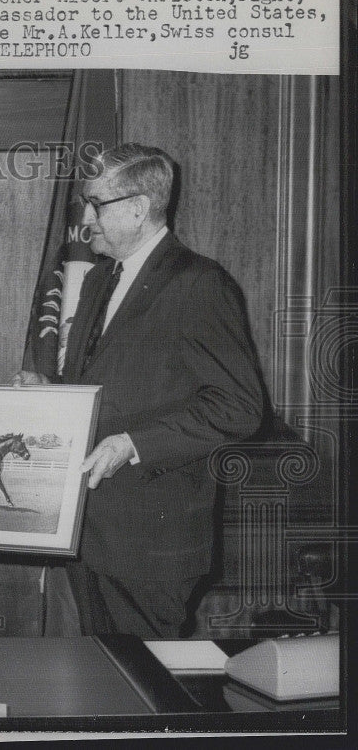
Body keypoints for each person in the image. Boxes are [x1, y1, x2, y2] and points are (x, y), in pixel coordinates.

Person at [16, 143, 264, 637]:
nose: (87, 218)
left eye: (96, 204)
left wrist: (133, 444)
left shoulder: (200, 284)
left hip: (152, 543)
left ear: (137, 208)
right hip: (90, 533)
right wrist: (52, 393)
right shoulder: (99, 279)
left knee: (143, 691)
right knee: (103, 683)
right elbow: (105, 385)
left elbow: (240, 406)